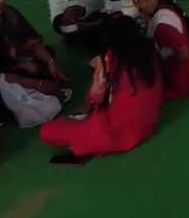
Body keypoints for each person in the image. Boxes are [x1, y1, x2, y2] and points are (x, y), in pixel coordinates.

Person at [40, 16, 164, 157]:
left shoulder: (110, 57)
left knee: (47, 130)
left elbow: (97, 95)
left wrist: (88, 105)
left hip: (116, 130)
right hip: (147, 125)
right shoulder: (149, 50)